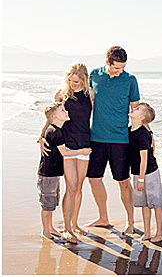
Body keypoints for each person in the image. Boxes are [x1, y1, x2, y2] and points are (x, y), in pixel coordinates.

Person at [86, 46, 141, 234]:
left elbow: (136, 110)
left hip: (120, 140)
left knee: (124, 181)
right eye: (116, 68)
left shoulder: (130, 80)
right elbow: (86, 101)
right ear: (107, 62)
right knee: (93, 179)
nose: (120, 72)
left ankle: (130, 222)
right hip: (97, 138)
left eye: (122, 68)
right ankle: (103, 218)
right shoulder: (94, 75)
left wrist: (145, 136)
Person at [37, 102, 91, 242]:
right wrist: (82, 151)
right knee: (47, 203)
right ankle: (45, 231)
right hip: (47, 173)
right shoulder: (56, 132)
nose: (66, 111)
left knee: (52, 201)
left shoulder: (55, 130)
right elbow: (65, 153)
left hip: (53, 173)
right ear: (55, 117)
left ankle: (50, 227)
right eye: (62, 110)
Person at [56, 63, 93, 237]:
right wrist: (43, 136)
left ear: (84, 79)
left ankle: (75, 223)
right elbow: (52, 117)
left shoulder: (90, 95)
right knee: (70, 186)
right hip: (67, 144)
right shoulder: (61, 95)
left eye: (76, 81)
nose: (73, 84)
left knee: (78, 186)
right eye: (70, 81)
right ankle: (67, 227)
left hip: (85, 145)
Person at [129, 102, 162, 242]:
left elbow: (144, 159)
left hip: (149, 173)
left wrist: (141, 179)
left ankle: (159, 233)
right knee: (144, 204)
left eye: (137, 109)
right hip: (138, 173)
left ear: (142, 117)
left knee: (155, 203)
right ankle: (147, 232)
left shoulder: (142, 134)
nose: (133, 108)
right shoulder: (131, 130)